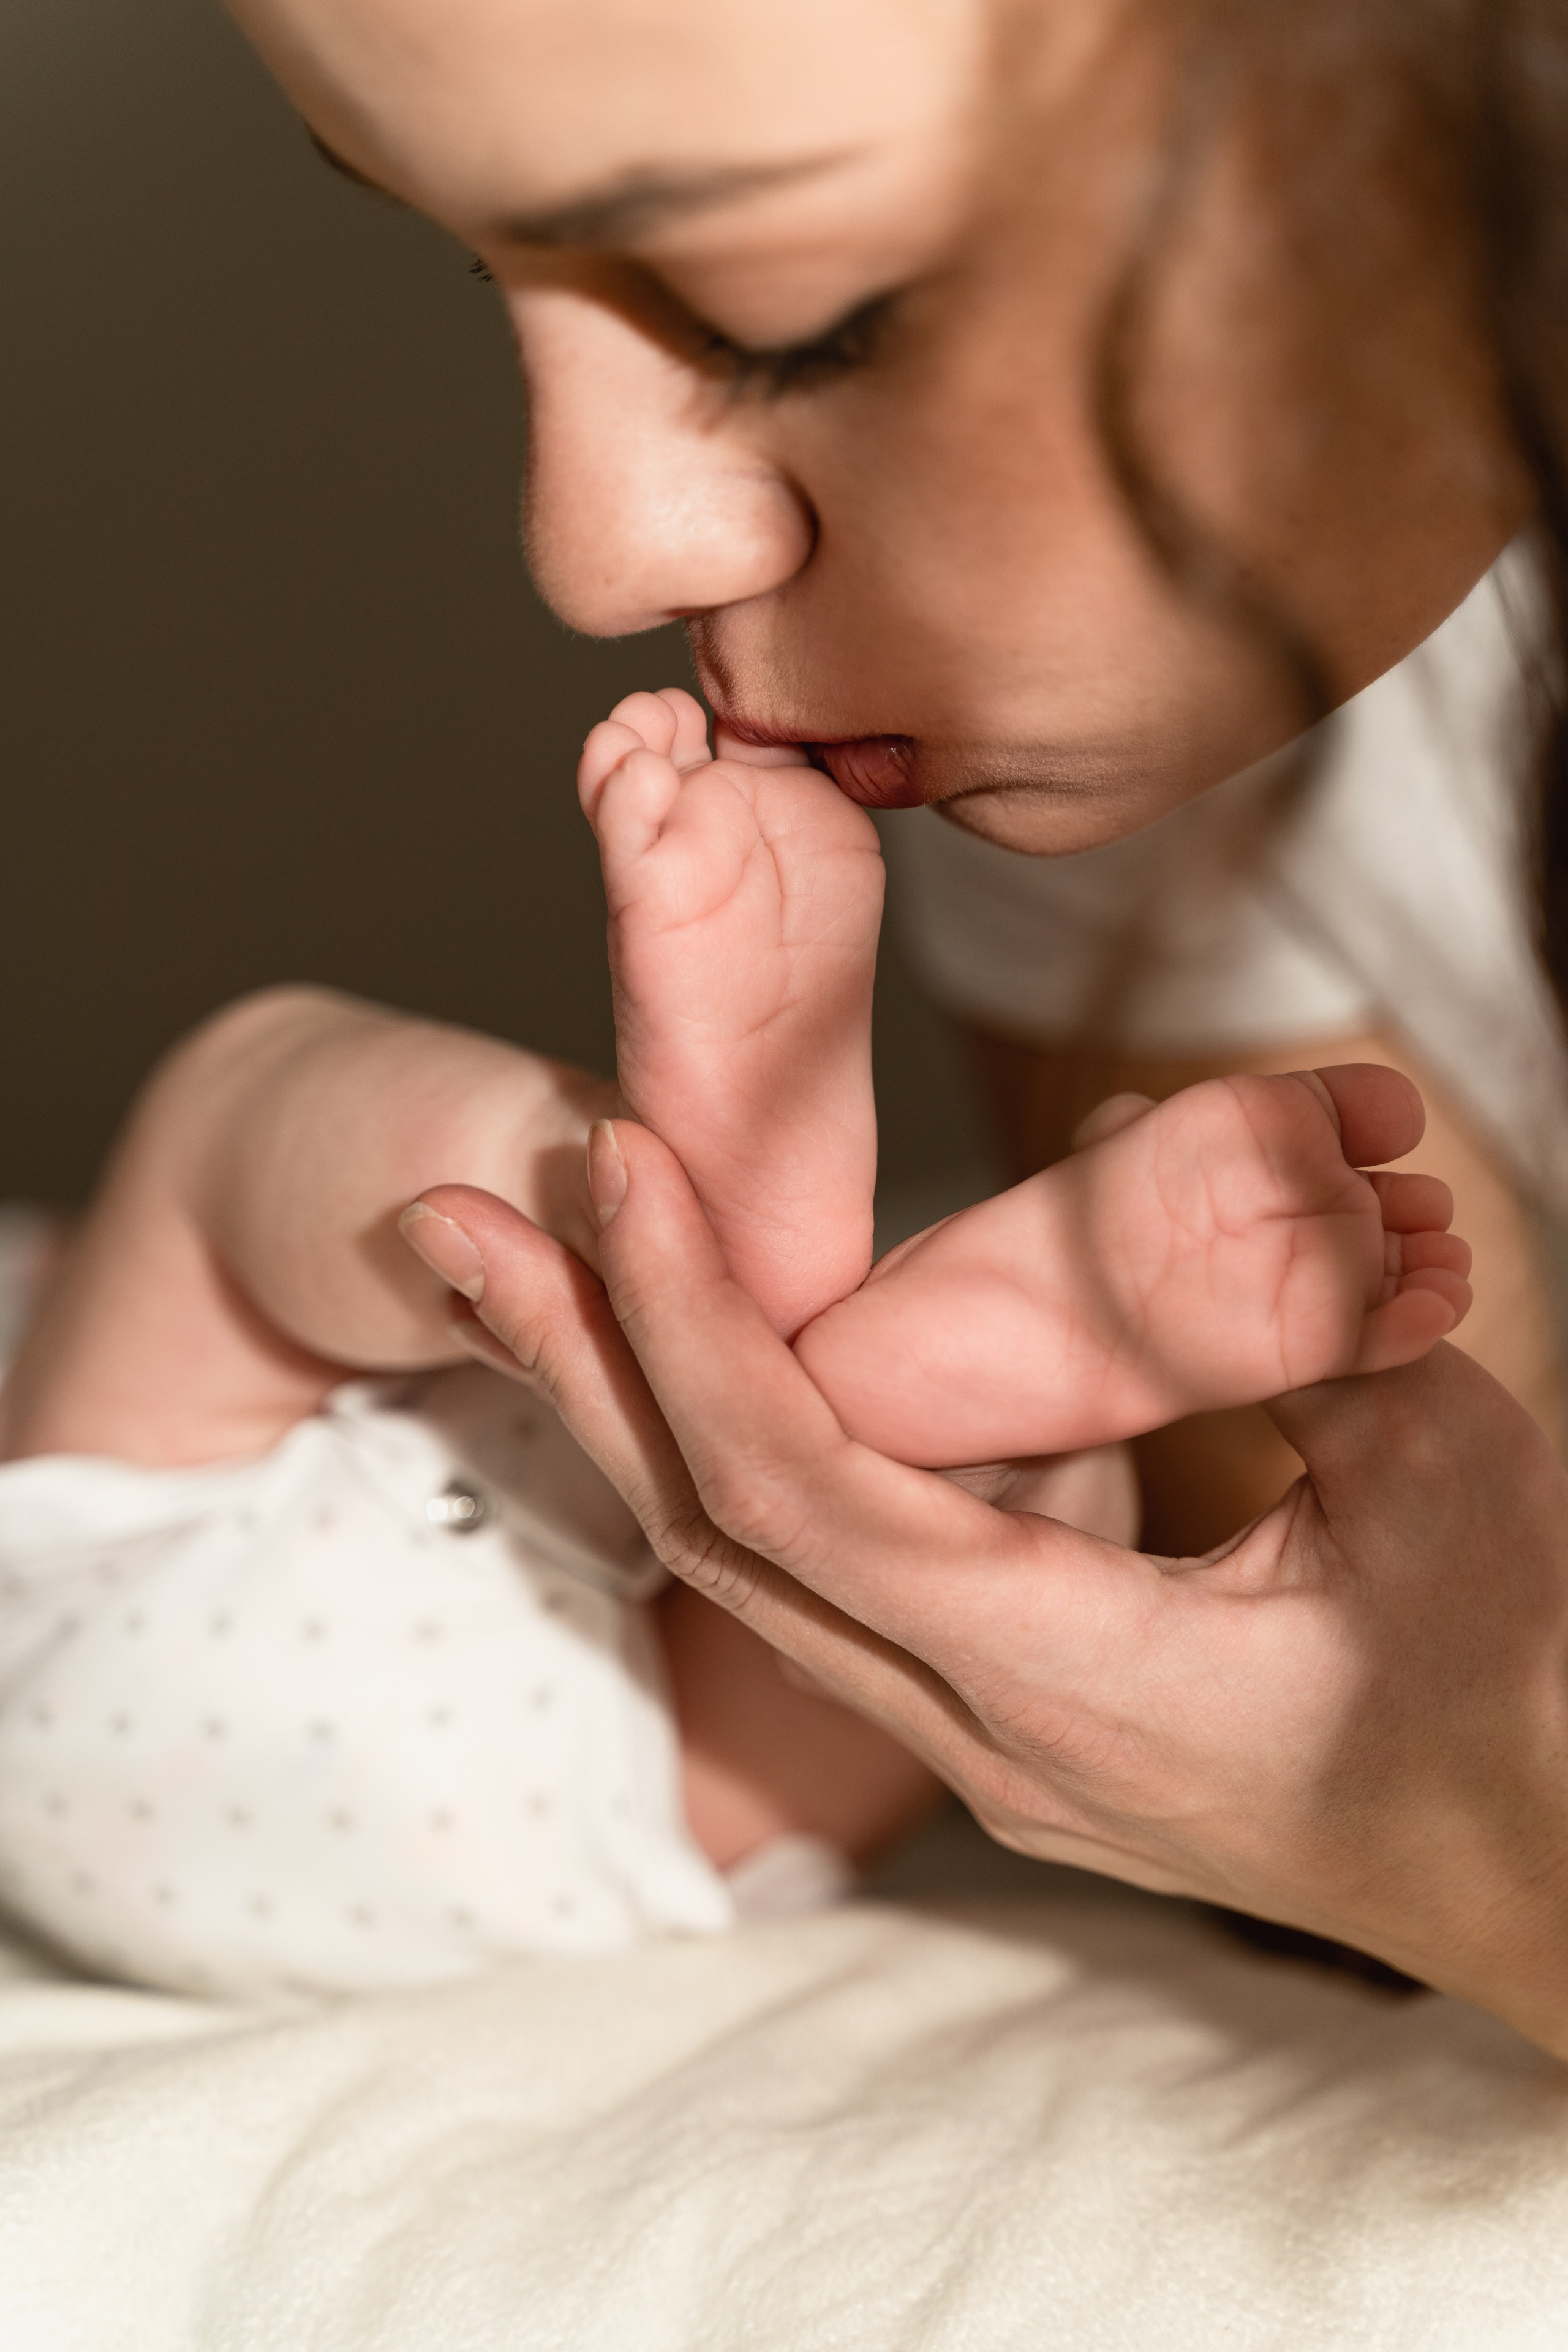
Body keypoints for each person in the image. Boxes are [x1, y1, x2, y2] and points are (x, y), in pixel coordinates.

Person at [201, 0, 1568, 2051]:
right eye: (491, 262)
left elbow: (1455, 1765)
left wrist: (1477, 1856)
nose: (593, 554)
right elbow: (1385, 1547)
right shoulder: (1144, 681)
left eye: (805, 318)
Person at [0, 676, 1464, 1993]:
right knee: (231, 1116)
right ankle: (650, 1223)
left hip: (526, 1859)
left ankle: (944, 1415)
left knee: (888, 1575)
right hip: (99, 1614)